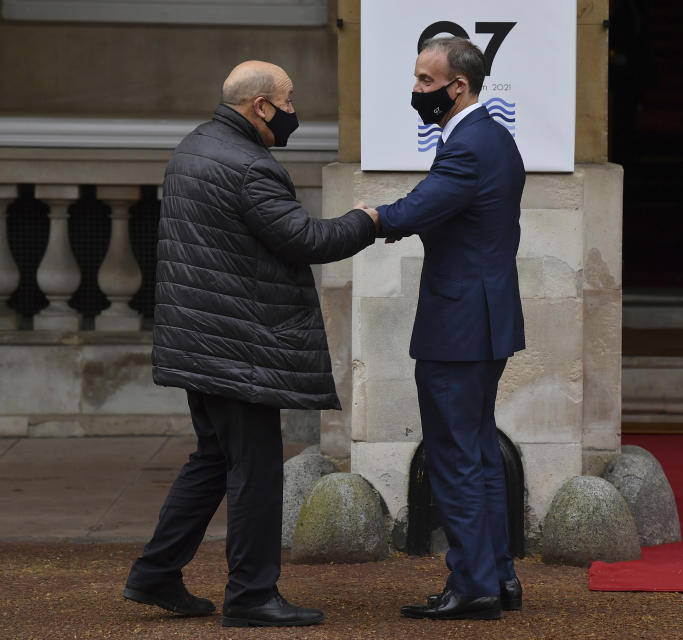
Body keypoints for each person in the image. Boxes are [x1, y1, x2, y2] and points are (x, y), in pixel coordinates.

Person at [122, 60, 379, 628]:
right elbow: (306, 239)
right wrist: (368, 219)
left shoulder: (195, 147)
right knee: (256, 470)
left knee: (213, 458)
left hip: (203, 337)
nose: (293, 111)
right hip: (239, 346)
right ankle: (252, 594)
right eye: (287, 101)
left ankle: (156, 573)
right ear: (261, 106)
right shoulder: (249, 166)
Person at [362, 37, 526, 620]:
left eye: (426, 82)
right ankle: (498, 577)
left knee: (456, 456)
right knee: (476, 451)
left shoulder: (470, 146)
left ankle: (473, 586)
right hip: (484, 318)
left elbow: (416, 209)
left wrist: (364, 221)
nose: (416, 91)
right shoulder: (493, 137)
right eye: (415, 79)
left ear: (459, 86)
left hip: (459, 325)